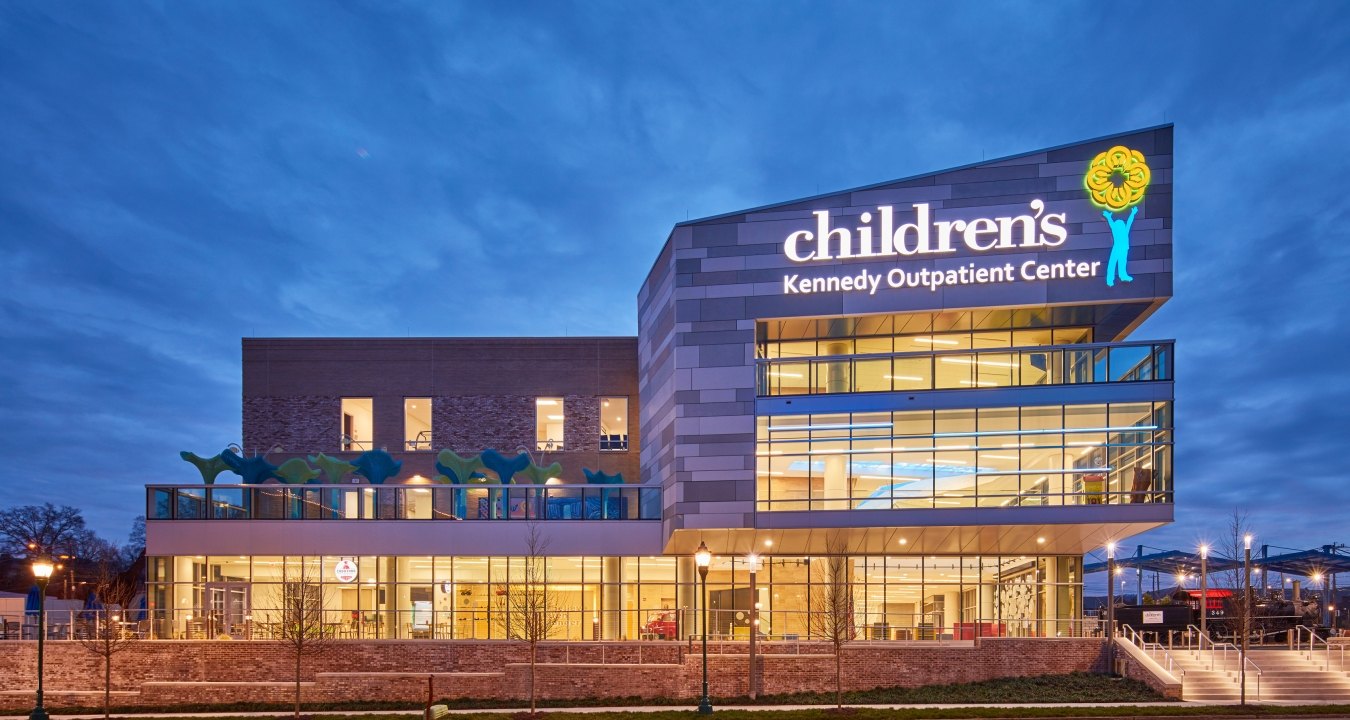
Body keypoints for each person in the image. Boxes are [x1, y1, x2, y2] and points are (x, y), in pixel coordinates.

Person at [1103, 206, 1138, 287]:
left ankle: (1121, 277)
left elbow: (1129, 222)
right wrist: (1108, 217)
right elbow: (1113, 224)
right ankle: (1110, 280)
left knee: (1121, 263)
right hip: (1118, 248)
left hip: (1123, 249)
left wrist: (1133, 213)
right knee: (1113, 263)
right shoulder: (1118, 230)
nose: (1122, 224)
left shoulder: (1123, 230)